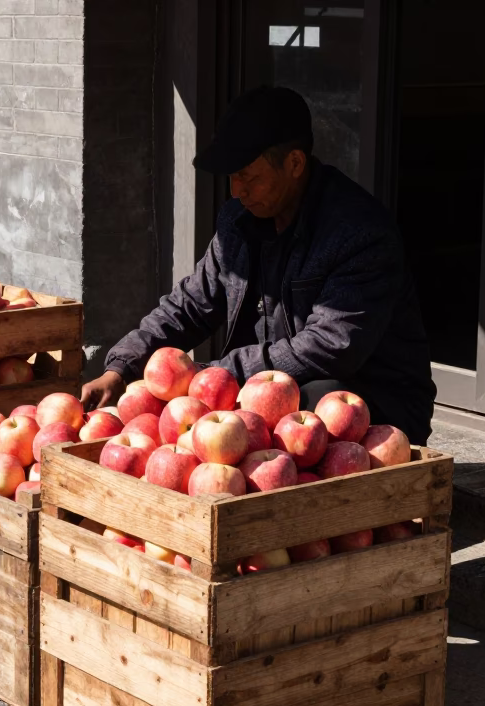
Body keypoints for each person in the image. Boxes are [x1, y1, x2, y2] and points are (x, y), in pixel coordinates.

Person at [80, 86, 436, 445]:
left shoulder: (360, 233)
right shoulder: (239, 221)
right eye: (233, 177)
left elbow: (330, 347)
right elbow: (190, 304)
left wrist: (212, 375)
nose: (237, 191)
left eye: (249, 177)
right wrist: (122, 366)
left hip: (375, 410)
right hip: (274, 393)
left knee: (313, 398)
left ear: (295, 163)